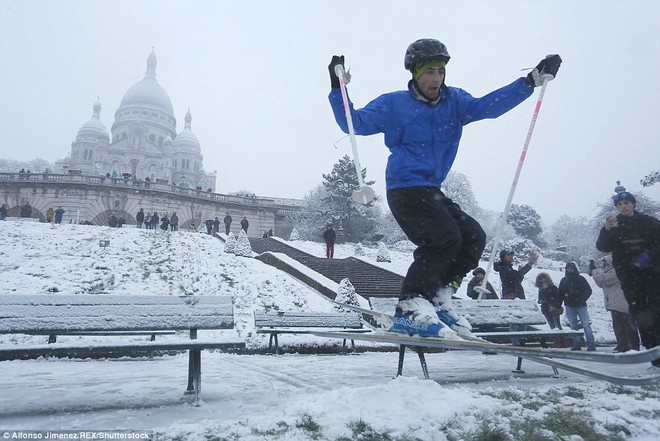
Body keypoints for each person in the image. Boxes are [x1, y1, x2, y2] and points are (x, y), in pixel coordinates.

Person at [328, 39, 561, 338]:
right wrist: (338, 88)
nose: (436, 78)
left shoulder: (455, 102)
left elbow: (488, 106)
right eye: (429, 72)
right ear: (415, 73)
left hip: (431, 189)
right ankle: (410, 308)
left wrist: (529, 82)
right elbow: (354, 122)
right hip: (405, 188)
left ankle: (438, 296)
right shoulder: (394, 104)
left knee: (473, 236)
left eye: (440, 71)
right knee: (444, 238)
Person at [596, 184, 660, 367]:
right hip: (630, 279)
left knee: (657, 313)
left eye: (626, 203)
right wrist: (606, 230)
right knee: (641, 316)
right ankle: (654, 358)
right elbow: (602, 247)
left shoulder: (648, 222)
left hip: (653, 275)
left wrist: (645, 258)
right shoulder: (615, 225)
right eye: (619, 204)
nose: (623, 206)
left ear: (633, 204)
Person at [590, 255, 640, 353]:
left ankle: (625, 345)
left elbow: (602, 280)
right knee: (624, 325)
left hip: (619, 302)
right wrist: (596, 272)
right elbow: (601, 282)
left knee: (621, 326)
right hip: (615, 302)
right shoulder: (610, 271)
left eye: (605, 262)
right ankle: (629, 344)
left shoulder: (616, 271)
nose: (603, 264)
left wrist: (594, 271)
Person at [559, 261, 596, 351]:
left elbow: (588, 290)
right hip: (570, 305)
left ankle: (591, 344)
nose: (570, 270)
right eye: (568, 268)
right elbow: (560, 293)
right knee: (573, 326)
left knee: (586, 325)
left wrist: (581, 299)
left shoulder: (580, 279)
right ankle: (577, 344)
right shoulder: (564, 280)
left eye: (571, 268)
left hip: (580, 305)